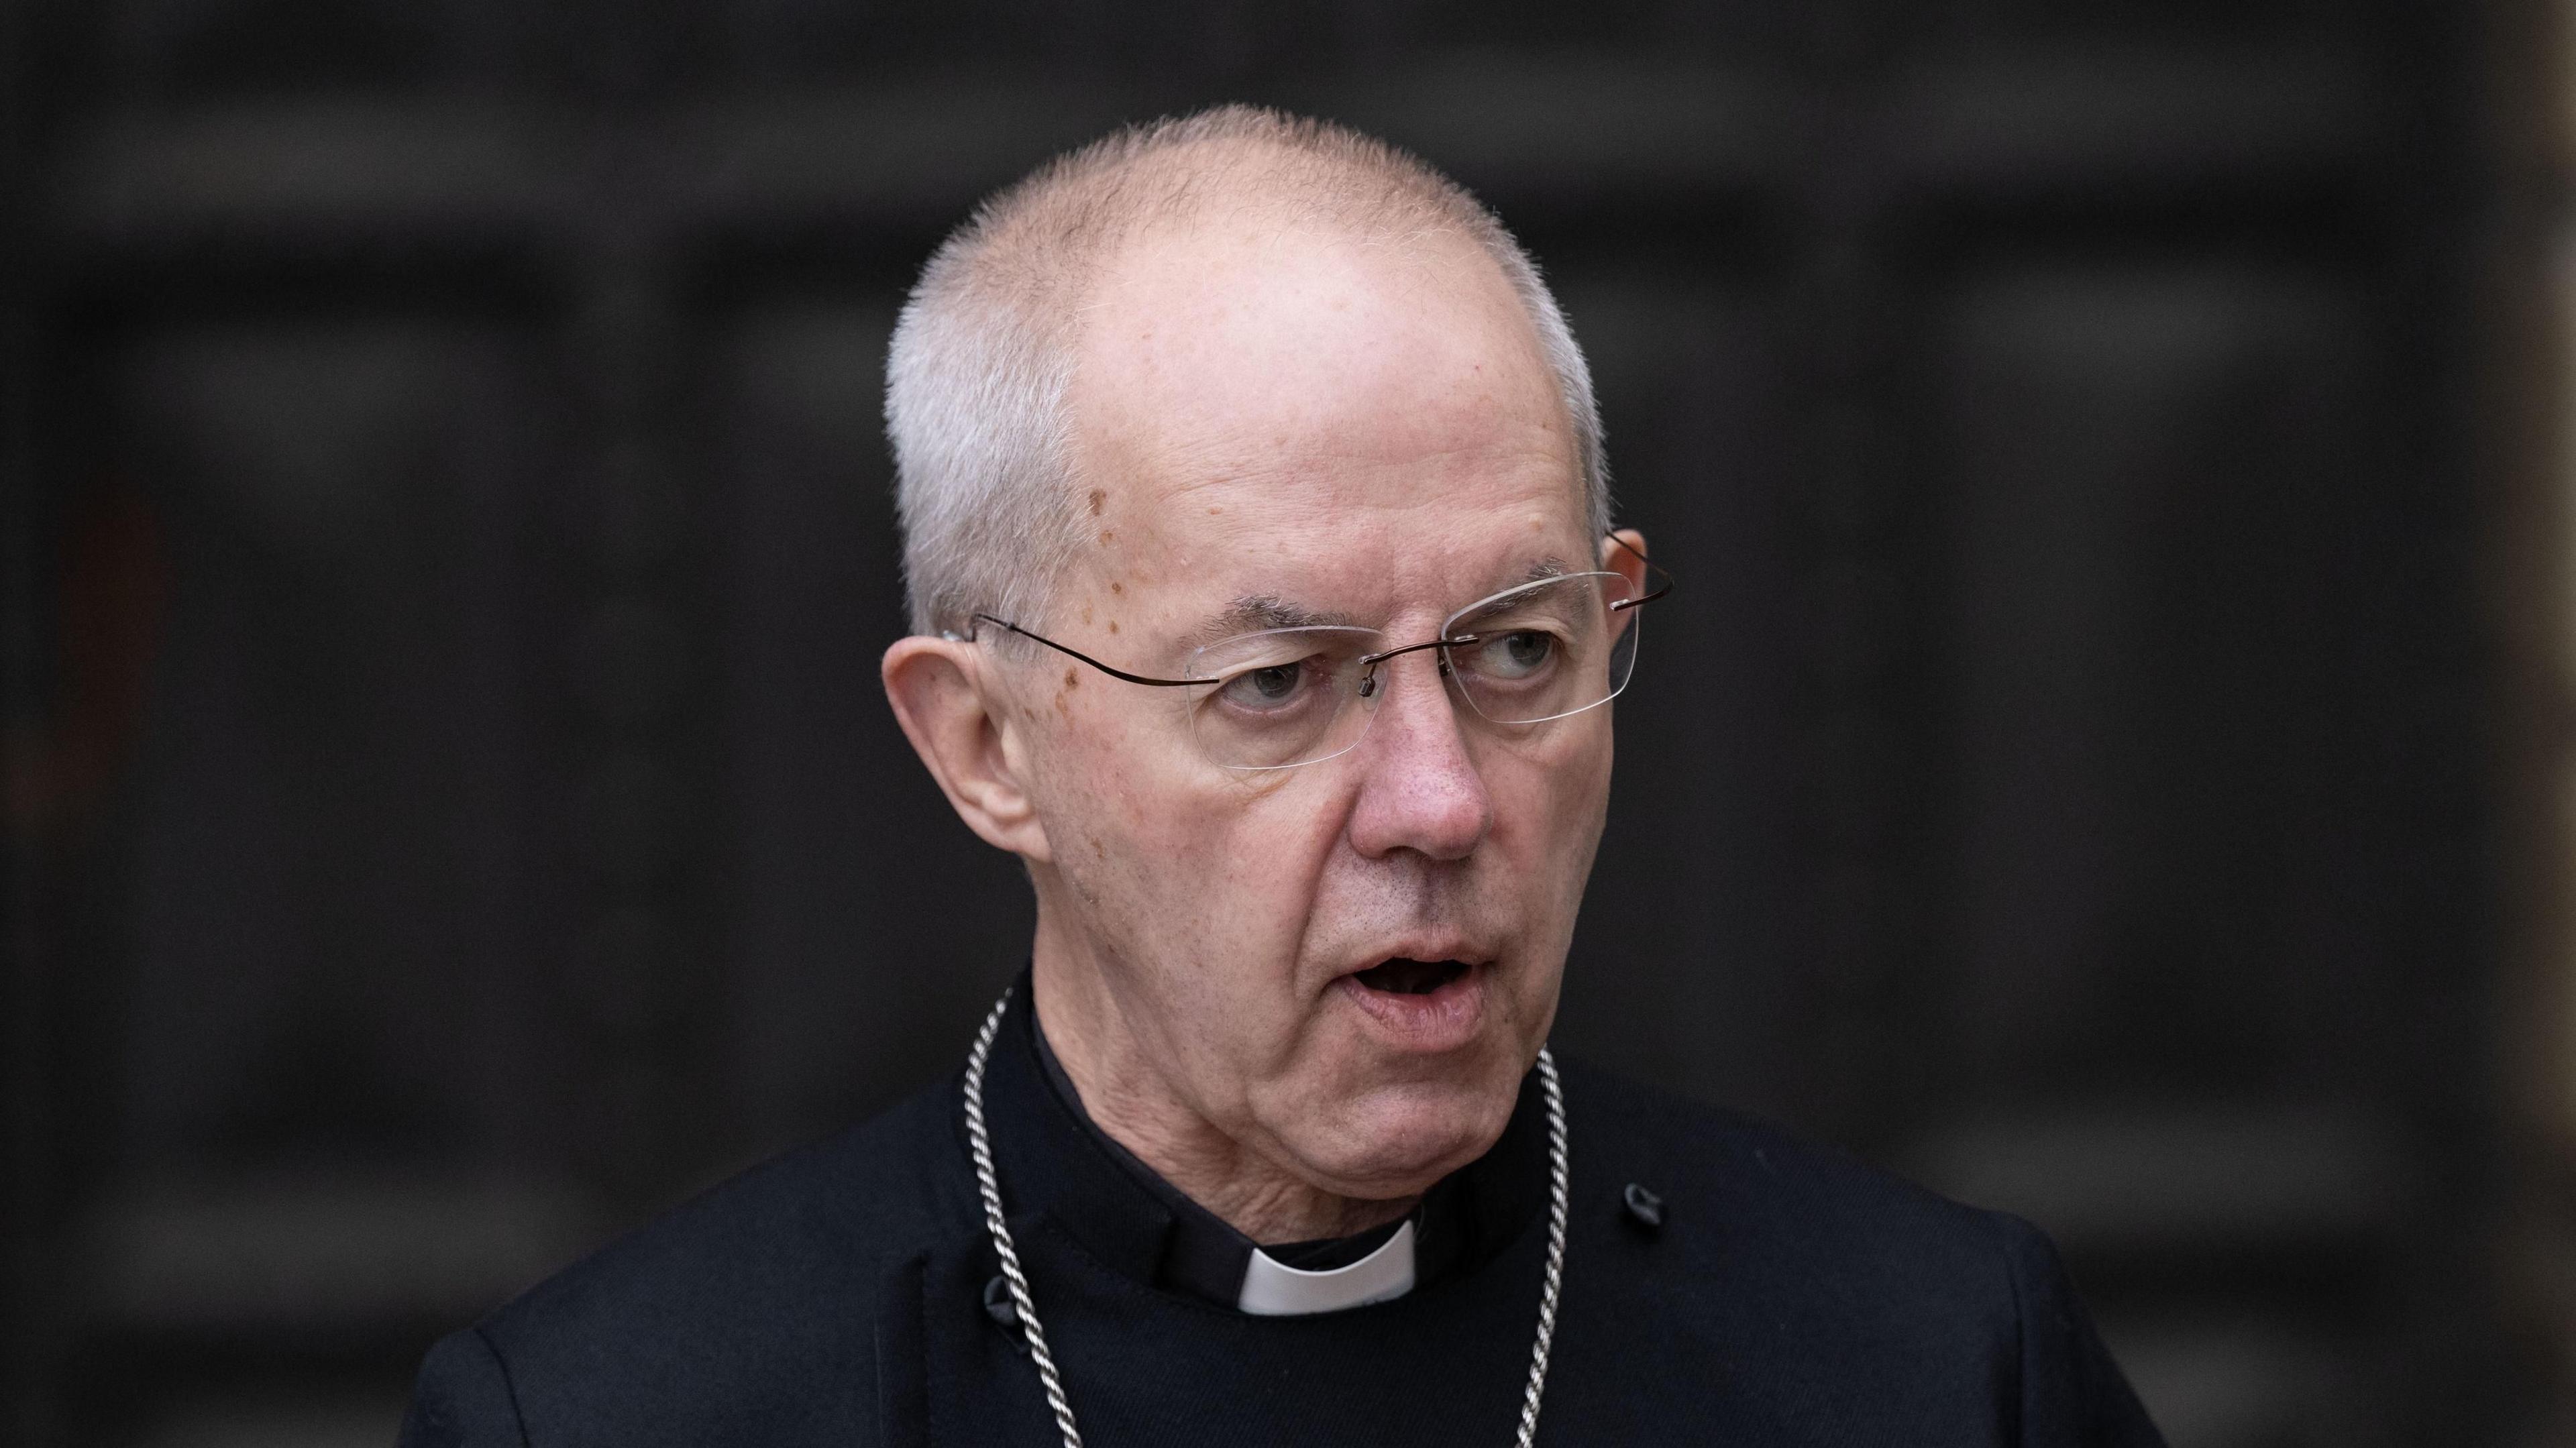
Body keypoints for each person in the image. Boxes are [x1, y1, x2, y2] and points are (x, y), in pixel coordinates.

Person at [399, 105, 2163, 1447]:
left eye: (1521, 651)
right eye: (1278, 684)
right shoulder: (615, 1421)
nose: (1441, 803)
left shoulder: (1937, 1371)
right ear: (986, 746)